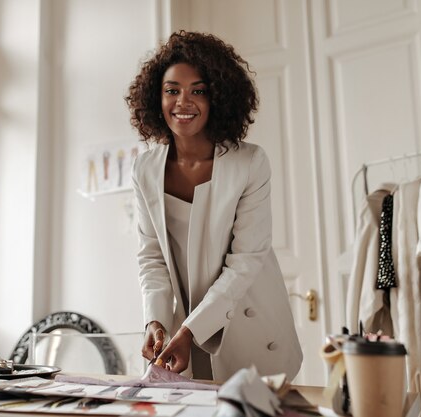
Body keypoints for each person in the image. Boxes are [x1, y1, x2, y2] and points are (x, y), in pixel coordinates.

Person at [126, 30, 303, 382]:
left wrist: (191, 331)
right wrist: (156, 320)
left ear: (218, 97)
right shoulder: (144, 169)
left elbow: (246, 261)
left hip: (248, 327)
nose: (183, 102)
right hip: (181, 334)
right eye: (172, 90)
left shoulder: (250, 162)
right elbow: (152, 257)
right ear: (155, 98)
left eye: (199, 91)